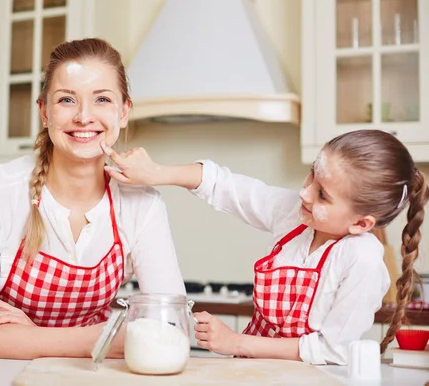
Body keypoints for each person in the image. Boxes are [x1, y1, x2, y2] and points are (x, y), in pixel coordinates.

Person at [0, 38, 185, 359]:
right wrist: (100, 338)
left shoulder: (142, 204)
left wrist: (32, 336)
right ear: (44, 112)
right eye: (67, 100)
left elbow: (173, 326)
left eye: (102, 99)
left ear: (124, 112)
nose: (84, 117)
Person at [101, 129, 429, 365]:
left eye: (323, 195)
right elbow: (224, 186)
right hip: (252, 370)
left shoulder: (363, 260)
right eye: (310, 176)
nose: (305, 193)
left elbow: (332, 350)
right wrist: (155, 173)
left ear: (361, 224)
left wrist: (234, 341)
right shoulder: (294, 214)